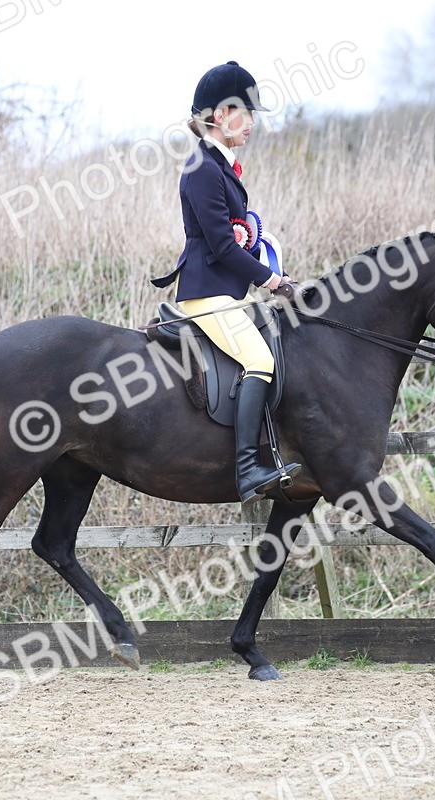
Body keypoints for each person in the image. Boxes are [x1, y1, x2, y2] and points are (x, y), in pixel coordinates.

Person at [151, 60, 301, 504]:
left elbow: (240, 239)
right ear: (220, 116)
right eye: (246, 113)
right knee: (260, 361)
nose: (252, 123)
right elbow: (221, 246)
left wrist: (274, 268)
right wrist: (271, 281)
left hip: (227, 294)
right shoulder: (202, 168)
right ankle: (248, 469)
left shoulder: (223, 167)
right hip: (206, 295)